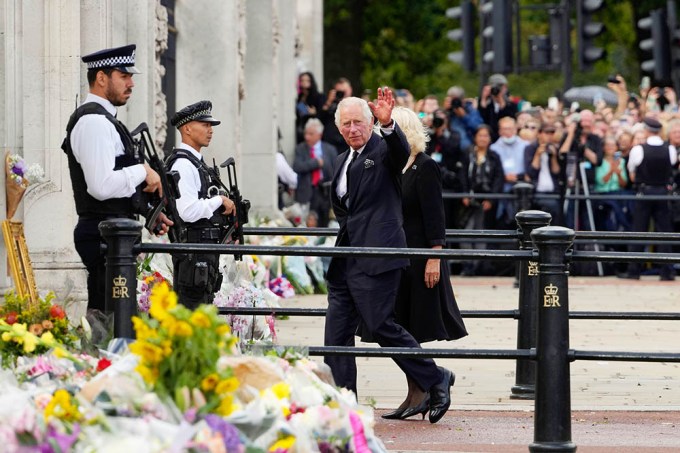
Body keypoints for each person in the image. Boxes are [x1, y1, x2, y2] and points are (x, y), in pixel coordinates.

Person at [325, 88, 455, 424]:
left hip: (378, 256)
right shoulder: (341, 161)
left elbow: (398, 151)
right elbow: (345, 210)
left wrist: (387, 124)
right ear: (338, 127)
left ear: (369, 124)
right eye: (346, 124)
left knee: (382, 325)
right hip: (346, 261)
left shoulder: (383, 151)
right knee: (336, 338)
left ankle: (434, 377)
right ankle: (345, 406)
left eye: (358, 122)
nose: (352, 129)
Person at [62, 44, 171, 313]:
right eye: (123, 76)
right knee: (109, 327)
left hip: (113, 237)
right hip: (103, 238)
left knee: (115, 325)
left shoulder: (106, 121)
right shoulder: (94, 122)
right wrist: (143, 170)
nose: (131, 83)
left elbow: (119, 185)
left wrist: (150, 212)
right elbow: (100, 186)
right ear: (101, 78)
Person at [375, 106, 468, 420]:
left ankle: (423, 387)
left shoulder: (425, 166)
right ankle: (421, 388)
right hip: (393, 257)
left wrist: (435, 257)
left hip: (419, 257)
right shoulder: (389, 168)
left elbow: (435, 216)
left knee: (410, 326)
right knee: (395, 325)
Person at [165, 101, 236, 308]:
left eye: (211, 125)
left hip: (202, 253)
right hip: (193, 256)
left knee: (201, 309)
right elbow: (187, 211)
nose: (210, 130)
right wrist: (219, 200)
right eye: (204, 125)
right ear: (187, 128)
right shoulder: (184, 165)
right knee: (193, 310)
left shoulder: (196, 162)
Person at [622, 117, 677, 281]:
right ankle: (666, 271)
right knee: (664, 232)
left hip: (644, 192)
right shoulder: (670, 149)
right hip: (662, 193)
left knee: (639, 230)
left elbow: (632, 173)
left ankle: (634, 270)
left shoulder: (638, 149)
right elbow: (671, 167)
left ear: (646, 130)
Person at [460, 125, 505, 276]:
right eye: (480, 135)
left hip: (486, 200)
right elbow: (462, 176)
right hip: (469, 199)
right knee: (466, 232)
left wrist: (491, 199)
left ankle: (480, 265)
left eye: (486, 136)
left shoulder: (494, 156)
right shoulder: (467, 154)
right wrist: (465, 194)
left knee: (482, 232)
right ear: (475, 137)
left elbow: (498, 179)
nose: (483, 139)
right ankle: (468, 264)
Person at [293, 118, 338, 227]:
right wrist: (316, 163)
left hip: (325, 192)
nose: (307, 137)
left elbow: (335, 170)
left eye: (311, 134)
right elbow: (297, 167)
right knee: (310, 222)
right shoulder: (300, 148)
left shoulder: (330, 149)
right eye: (306, 133)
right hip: (308, 191)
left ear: (319, 135)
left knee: (327, 221)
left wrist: (324, 164)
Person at [524, 122, 564, 225]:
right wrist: (537, 155)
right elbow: (531, 172)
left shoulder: (554, 148)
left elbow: (557, 172)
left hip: (552, 191)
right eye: (547, 133)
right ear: (539, 134)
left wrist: (554, 157)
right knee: (552, 208)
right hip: (537, 191)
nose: (550, 136)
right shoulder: (530, 148)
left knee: (557, 209)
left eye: (552, 133)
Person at [478, 74, 518, 140]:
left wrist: (501, 101)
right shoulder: (486, 103)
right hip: (488, 137)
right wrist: (483, 98)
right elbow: (481, 118)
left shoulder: (511, 104)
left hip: (505, 137)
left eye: (500, 87)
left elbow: (511, 118)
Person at [295, 71, 325, 143]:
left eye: (307, 80)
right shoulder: (299, 97)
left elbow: (322, 113)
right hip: (300, 129)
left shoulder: (318, 97)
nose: (304, 82)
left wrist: (314, 113)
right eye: (302, 80)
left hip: (313, 128)